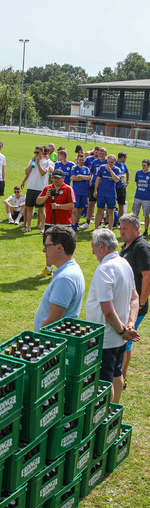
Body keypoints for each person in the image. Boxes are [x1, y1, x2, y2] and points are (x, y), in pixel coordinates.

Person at [86, 228, 139, 403]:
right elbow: (134, 297)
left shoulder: (105, 269)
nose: (92, 251)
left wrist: (124, 329)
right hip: (119, 338)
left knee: (104, 383)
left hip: (106, 339)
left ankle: (106, 419)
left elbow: (107, 311)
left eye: (93, 247)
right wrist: (130, 324)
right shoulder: (124, 263)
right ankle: (114, 415)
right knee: (117, 374)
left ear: (101, 246)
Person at [118, 213, 150, 388]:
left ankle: (119, 378)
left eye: (126, 229)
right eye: (121, 228)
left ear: (137, 229)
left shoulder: (142, 248)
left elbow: (148, 276)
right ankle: (122, 376)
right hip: (128, 303)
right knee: (126, 343)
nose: (122, 232)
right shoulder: (128, 245)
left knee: (123, 342)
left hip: (135, 306)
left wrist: (142, 302)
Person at [34, 226, 85, 330]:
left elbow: (53, 320)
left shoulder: (65, 279)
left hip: (50, 342)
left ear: (59, 247)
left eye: (46, 246)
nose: (44, 250)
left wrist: (37, 340)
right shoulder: (70, 270)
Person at [35, 171, 76, 276]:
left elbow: (72, 205)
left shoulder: (68, 189)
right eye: (54, 178)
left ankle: (64, 269)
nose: (56, 180)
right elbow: (38, 201)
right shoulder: (47, 188)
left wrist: (58, 206)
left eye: (58, 178)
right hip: (49, 222)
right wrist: (46, 196)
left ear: (63, 178)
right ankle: (48, 268)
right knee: (48, 246)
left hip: (64, 223)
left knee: (64, 247)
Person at [20, 145, 51, 233]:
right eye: (35, 152)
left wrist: (38, 163)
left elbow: (42, 173)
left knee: (41, 209)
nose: (36, 154)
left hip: (40, 188)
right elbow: (26, 172)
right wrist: (32, 163)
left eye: (37, 152)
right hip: (31, 187)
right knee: (29, 207)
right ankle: (28, 227)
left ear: (42, 152)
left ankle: (42, 228)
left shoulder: (46, 162)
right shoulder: (31, 160)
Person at [93, 153, 122, 230]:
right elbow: (98, 179)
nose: (110, 163)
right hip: (102, 193)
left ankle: (110, 230)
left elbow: (116, 179)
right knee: (99, 210)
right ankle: (96, 229)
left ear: (115, 162)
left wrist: (110, 170)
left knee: (110, 212)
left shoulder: (117, 170)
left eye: (112, 162)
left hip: (111, 194)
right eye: (109, 161)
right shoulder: (102, 168)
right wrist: (95, 190)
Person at [69, 153, 92, 232]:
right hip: (76, 192)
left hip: (84, 192)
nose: (81, 161)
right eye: (80, 160)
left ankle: (76, 224)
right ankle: (73, 226)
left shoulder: (86, 169)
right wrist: (83, 177)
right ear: (77, 160)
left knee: (80, 209)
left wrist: (80, 176)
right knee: (75, 209)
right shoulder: (74, 168)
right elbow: (73, 178)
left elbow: (89, 177)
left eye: (82, 160)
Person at [132, 158, 150, 236]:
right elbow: (137, 183)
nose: (143, 167)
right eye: (142, 165)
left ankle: (145, 231)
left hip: (147, 198)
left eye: (145, 165)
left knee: (146, 215)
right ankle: (135, 230)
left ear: (148, 166)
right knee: (135, 215)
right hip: (138, 196)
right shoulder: (138, 173)